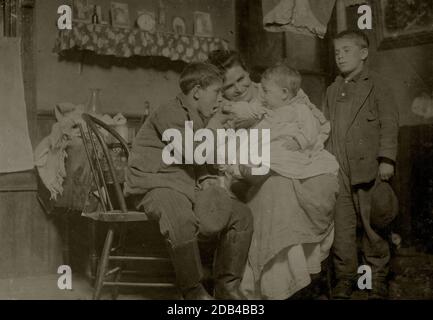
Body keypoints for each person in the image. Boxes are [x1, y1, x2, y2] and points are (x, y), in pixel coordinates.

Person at [124, 62, 253, 300]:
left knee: (241, 215)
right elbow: (192, 152)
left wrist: (205, 176)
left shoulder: (199, 117)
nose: (220, 98)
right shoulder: (169, 112)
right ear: (196, 91)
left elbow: (197, 160)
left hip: (183, 186)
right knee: (180, 217)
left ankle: (227, 286)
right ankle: (193, 291)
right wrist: (215, 125)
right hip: (154, 184)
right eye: (216, 92)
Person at [229, 63, 339, 300]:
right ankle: (269, 281)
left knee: (284, 174)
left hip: (291, 154)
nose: (238, 88)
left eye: (241, 79)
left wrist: (299, 141)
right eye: (229, 86)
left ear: (285, 94)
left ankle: (292, 277)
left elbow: (311, 131)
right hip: (267, 155)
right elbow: (248, 113)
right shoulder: (265, 105)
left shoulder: (298, 108)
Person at [323, 30, 399, 299]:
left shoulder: (377, 84)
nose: (340, 56)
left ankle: (376, 275)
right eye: (336, 52)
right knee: (341, 226)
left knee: (372, 225)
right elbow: (325, 129)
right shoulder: (332, 90)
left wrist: (386, 159)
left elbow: (389, 123)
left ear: (363, 53)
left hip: (368, 168)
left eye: (346, 50)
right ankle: (345, 277)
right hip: (339, 168)